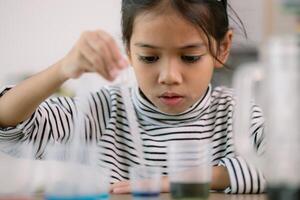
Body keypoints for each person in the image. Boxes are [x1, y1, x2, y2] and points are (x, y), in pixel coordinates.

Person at [0, 0, 266, 194]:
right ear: (128, 49)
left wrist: (179, 180)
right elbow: (8, 126)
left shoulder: (237, 112)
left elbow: (283, 167)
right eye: (149, 57)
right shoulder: (102, 110)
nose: (169, 76)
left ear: (223, 47)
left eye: (190, 57)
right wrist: (63, 69)